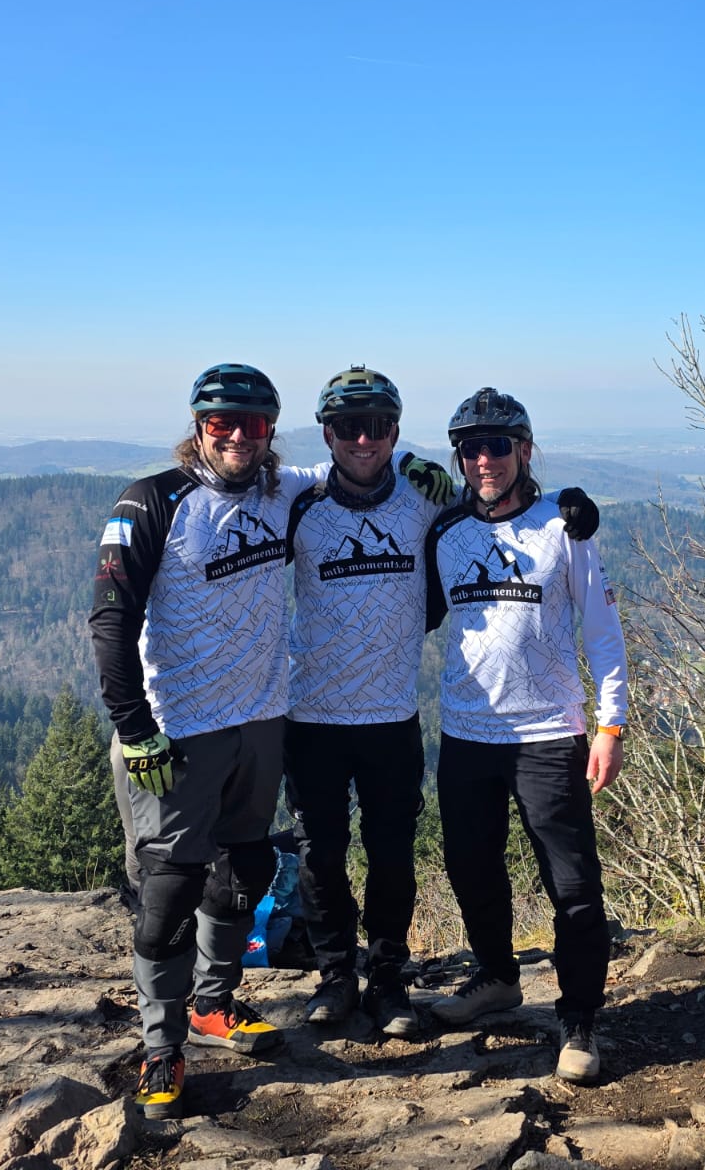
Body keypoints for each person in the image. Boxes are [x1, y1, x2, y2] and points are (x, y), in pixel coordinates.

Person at [89, 363, 451, 1119]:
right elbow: (111, 621)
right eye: (222, 423)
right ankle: (162, 1047)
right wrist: (134, 728)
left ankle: (214, 1006)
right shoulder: (151, 500)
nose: (239, 438)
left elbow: (364, 464)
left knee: (243, 869)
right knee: (167, 892)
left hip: (261, 719)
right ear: (198, 425)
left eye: (254, 426)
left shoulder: (286, 490)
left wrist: (426, 462)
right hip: (177, 729)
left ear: (272, 434)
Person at [284, 366, 598, 1039]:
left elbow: (491, 506)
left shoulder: (428, 503)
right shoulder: (297, 500)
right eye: (347, 427)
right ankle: (337, 976)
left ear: (396, 431)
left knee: (393, 855)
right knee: (321, 857)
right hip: (311, 713)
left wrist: (571, 505)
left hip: (396, 715)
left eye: (378, 428)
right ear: (327, 433)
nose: (362, 440)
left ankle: (389, 979)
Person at [423, 386, 628, 1085]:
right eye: (472, 448)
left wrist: (611, 724)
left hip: (548, 732)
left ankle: (579, 1020)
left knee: (571, 884)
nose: (484, 459)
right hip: (467, 732)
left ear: (525, 450)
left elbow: (603, 634)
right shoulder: (445, 530)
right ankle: (496, 979)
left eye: (499, 445)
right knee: (471, 866)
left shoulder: (565, 529)